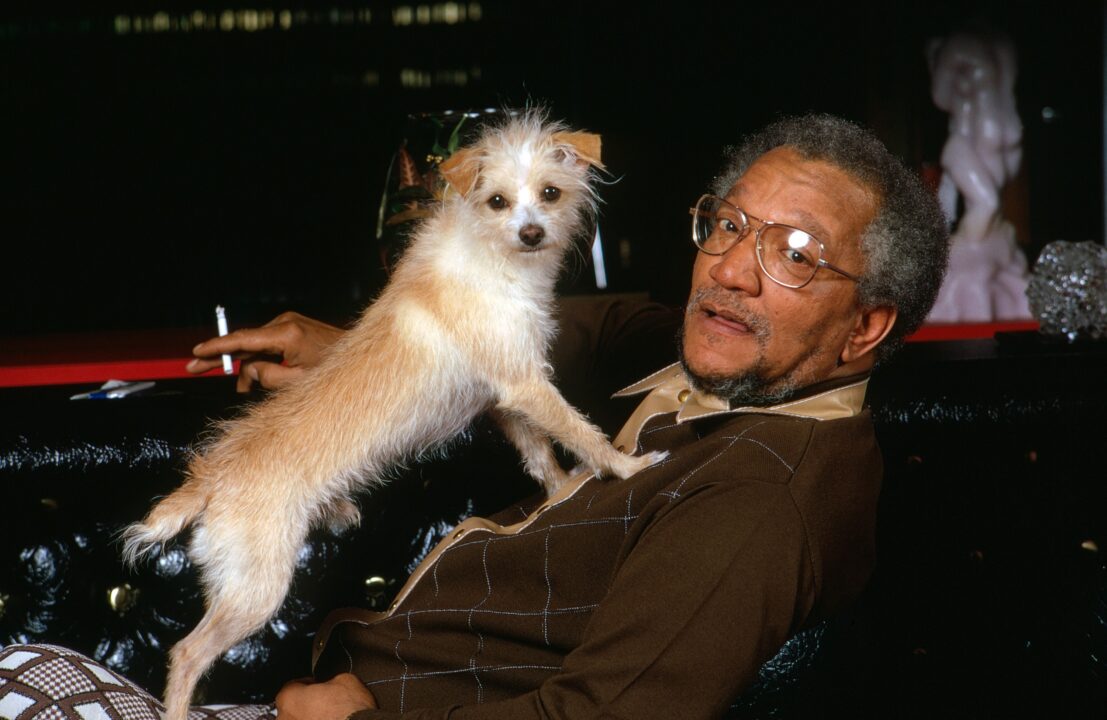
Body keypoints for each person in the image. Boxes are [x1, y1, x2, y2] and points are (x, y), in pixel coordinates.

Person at [0, 114, 947, 720]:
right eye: (729, 224)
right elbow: (595, 324)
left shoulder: (762, 500)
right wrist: (365, 352)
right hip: (349, 669)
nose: (733, 268)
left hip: (353, 712)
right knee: (25, 662)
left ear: (865, 326)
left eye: (794, 254)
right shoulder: (721, 352)